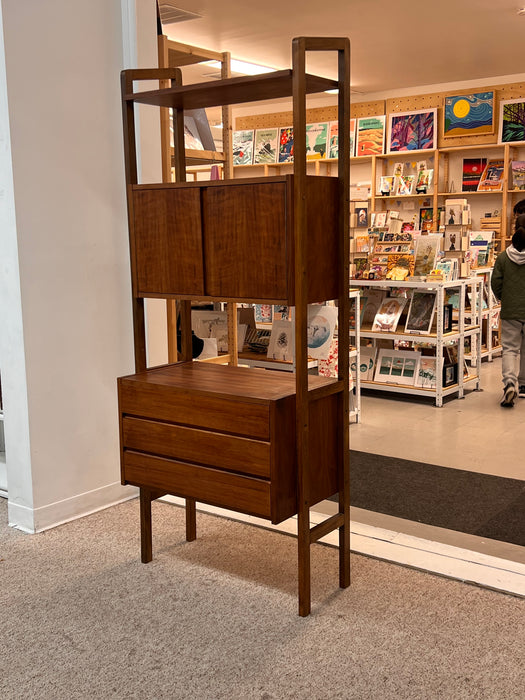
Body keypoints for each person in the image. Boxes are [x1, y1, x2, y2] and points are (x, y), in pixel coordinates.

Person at [491, 214, 525, 407]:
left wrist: (506, 297)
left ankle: (510, 383)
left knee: (510, 349)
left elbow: (495, 283)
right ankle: (524, 385)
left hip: (511, 309)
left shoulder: (504, 257)